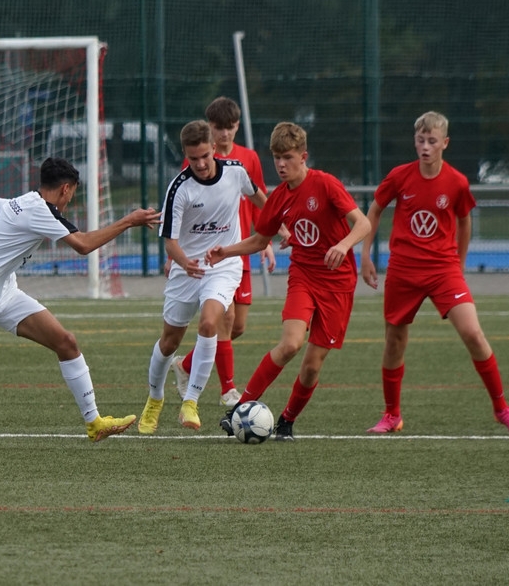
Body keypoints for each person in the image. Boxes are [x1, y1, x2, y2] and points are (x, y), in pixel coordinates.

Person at [0, 157, 162, 450]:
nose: (69, 201)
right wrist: (129, 221)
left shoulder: (22, 201)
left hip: (5, 292)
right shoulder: (40, 211)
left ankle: (94, 422)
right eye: (72, 194)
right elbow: (84, 245)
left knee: (66, 343)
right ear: (65, 189)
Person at [359, 111, 509, 436]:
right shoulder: (400, 176)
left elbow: (464, 221)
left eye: (432, 141)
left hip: (443, 270)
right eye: (420, 140)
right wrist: (365, 255)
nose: (425, 146)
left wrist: (458, 265)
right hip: (404, 269)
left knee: (473, 334)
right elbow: (375, 209)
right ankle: (392, 415)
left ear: (445, 143)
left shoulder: (457, 182)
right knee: (394, 341)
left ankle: (502, 409)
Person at [206, 121, 371, 441]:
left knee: (312, 366)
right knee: (291, 344)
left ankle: (287, 421)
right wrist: (225, 251)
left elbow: (362, 223)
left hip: (338, 284)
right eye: (277, 158)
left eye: (288, 158)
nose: (281, 165)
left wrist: (343, 245)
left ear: (303, 157)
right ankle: (238, 410)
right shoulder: (278, 198)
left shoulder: (325, 184)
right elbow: (259, 240)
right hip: (303, 277)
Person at [137, 119, 268, 434]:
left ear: (215, 149)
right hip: (187, 269)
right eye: (193, 158)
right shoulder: (179, 188)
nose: (200, 164)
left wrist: (280, 228)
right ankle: (155, 399)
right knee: (169, 341)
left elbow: (261, 199)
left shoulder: (236, 172)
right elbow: (170, 242)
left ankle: (191, 402)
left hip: (223, 265)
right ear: (186, 154)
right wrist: (185, 263)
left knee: (210, 323)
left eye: (205, 156)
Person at [171, 97, 278, 409]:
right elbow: (181, 214)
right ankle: (228, 389)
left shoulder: (248, 159)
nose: (225, 133)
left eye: (230, 127)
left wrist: (266, 240)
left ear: (237, 127)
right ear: (210, 128)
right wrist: (174, 256)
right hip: (212, 254)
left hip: (241, 248)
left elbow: (259, 199)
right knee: (225, 317)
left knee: (236, 325)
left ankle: (186, 364)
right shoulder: (198, 160)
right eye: (219, 127)